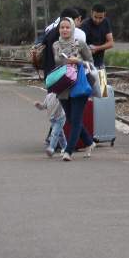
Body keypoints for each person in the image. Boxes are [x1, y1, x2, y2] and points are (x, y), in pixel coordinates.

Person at [51, 16, 95, 161]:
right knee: (70, 119)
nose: (64, 30)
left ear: (72, 28)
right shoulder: (55, 45)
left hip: (78, 86)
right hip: (63, 87)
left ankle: (68, 151)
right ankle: (89, 142)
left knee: (75, 120)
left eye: (67, 27)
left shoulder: (80, 44)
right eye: (62, 27)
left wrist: (79, 61)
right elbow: (57, 64)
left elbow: (91, 63)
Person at [34, 7, 84, 77]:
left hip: (50, 73)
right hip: (59, 74)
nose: (77, 23)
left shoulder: (52, 31)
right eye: (76, 20)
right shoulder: (62, 35)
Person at [79, 3, 115, 96]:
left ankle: (103, 109)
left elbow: (111, 43)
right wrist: (88, 50)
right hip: (88, 67)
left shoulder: (106, 22)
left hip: (100, 65)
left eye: (101, 18)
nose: (98, 20)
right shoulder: (85, 25)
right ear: (91, 13)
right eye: (95, 17)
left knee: (103, 92)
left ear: (104, 15)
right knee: (89, 93)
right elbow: (79, 45)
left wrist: (97, 48)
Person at [35, 91, 66, 158]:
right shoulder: (48, 96)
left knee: (54, 133)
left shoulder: (60, 95)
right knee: (60, 134)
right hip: (52, 119)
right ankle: (65, 148)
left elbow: (65, 103)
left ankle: (51, 149)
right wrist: (38, 105)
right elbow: (43, 106)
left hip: (60, 118)